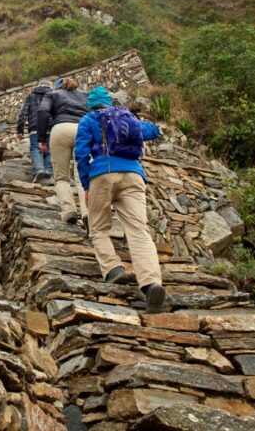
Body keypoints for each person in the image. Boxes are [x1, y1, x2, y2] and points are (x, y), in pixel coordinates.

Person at [75, 86, 165, 314]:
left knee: (98, 227)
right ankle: (151, 284)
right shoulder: (127, 117)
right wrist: (155, 128)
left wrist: (86, 185)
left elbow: (82, 154)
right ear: (110, 102)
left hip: (102, 173)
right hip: (134, 175)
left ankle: (114, 269)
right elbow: (150, 130)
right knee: (138, 231)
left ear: (91, 104)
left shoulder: (88, 119)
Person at [37, 76, 88, 224]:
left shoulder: (53, 94)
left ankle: (69, 211)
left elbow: (42, 112)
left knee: (61, 177)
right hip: (83, 129)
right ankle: (87, 213)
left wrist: (41, 138)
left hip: (60, 129)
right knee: (82, 176)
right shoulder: (85, 95)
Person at [17, 79, 53, 182]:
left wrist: (20, 130)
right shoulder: (53, 95)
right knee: (49, 150)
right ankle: (47, 172)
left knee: (35, 148)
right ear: (50, 86)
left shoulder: (31, 96)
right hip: (50, 126)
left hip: (35, 126)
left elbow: (23, 113)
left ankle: (38, 170)